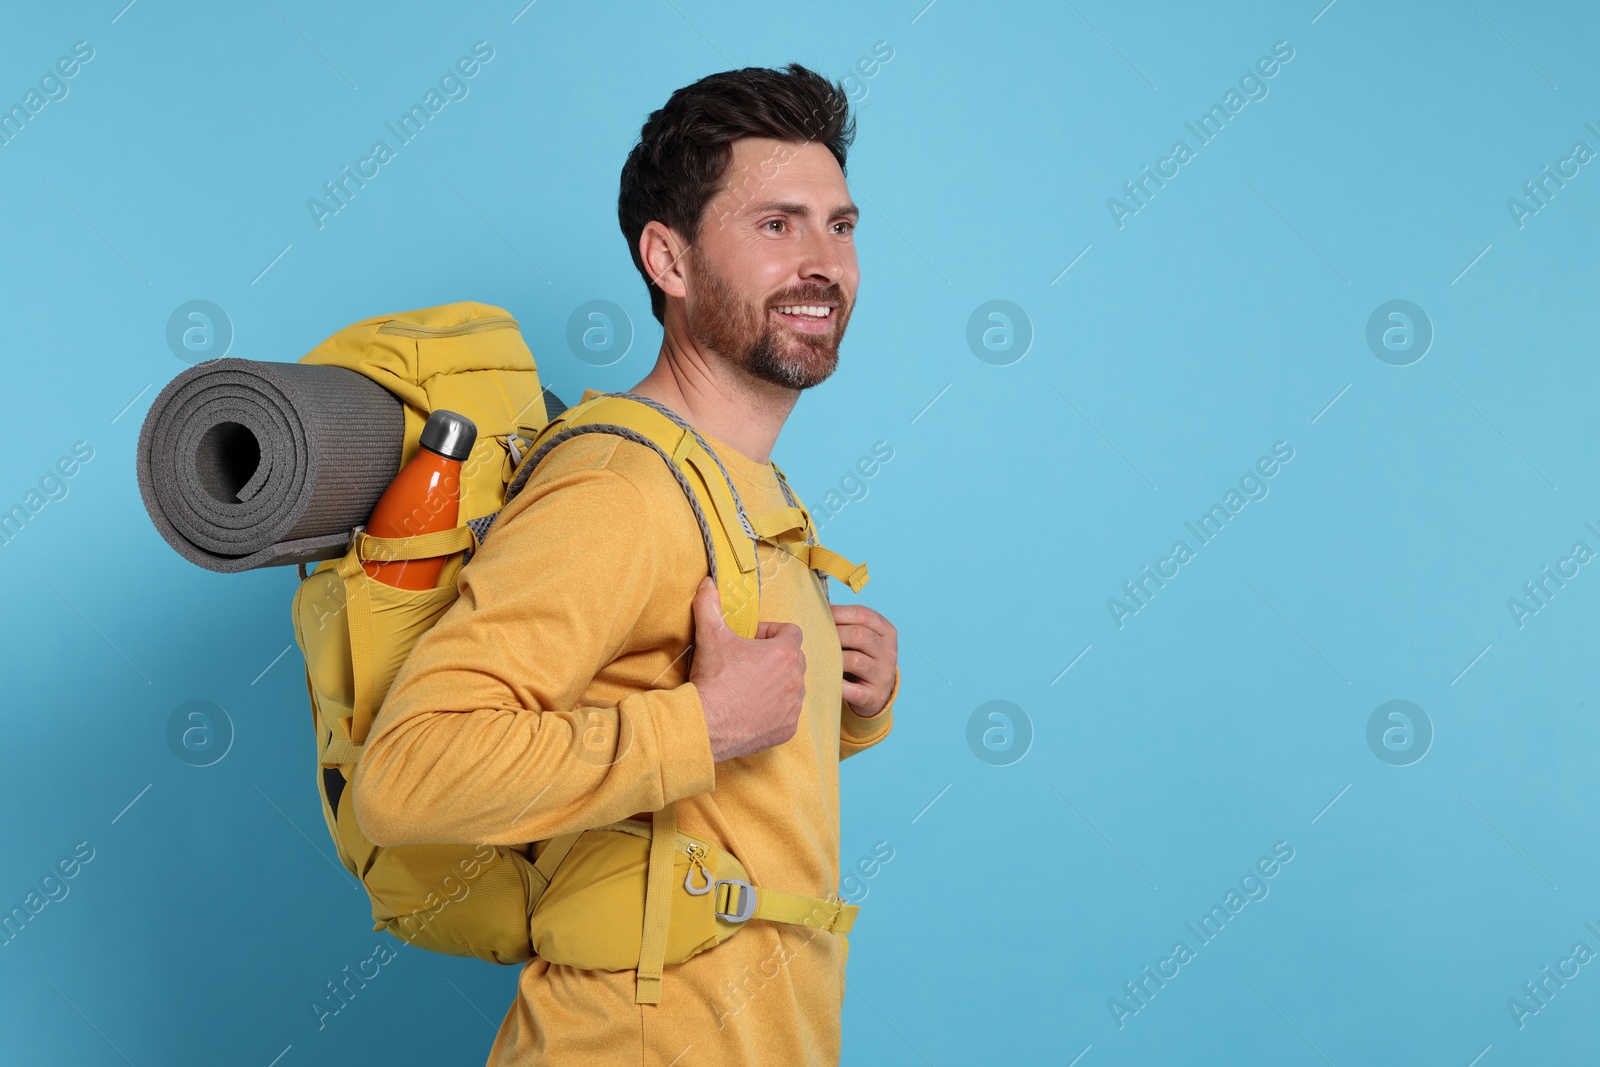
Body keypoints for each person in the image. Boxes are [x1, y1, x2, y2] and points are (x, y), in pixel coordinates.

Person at [351, 62, 902, 1065]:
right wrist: (704, 721)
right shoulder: (617, 488)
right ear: (670, 259)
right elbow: (404, 772)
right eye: (775, 225)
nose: (821, 260)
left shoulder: (741, 484)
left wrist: (841, 697)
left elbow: (722, 778)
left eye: (840, 224)